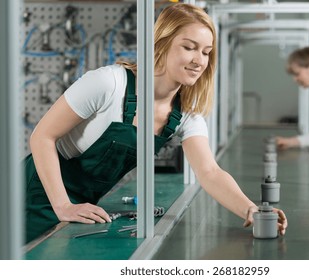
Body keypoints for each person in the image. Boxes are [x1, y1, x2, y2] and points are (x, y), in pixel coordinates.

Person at [25, 3, 287, 243]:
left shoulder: (185, 114)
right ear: (160, 44)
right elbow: (42, 137)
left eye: (206, 52)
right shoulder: (109, 83)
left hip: (82, 204)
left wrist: (251, 209)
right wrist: (63, 205)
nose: (200, 61)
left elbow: (209, 172)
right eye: (189, 47)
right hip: (36, 191)